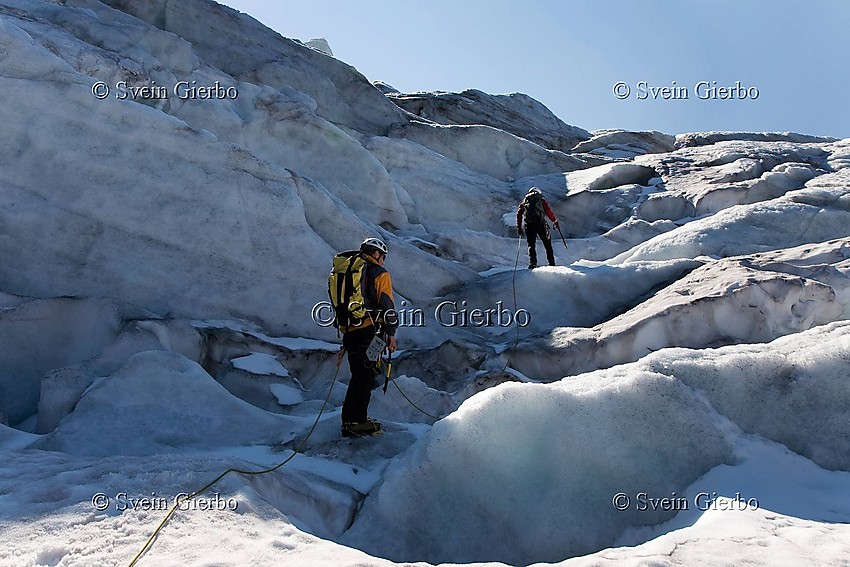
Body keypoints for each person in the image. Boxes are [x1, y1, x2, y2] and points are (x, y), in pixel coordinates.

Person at [338, 237, 398, 437]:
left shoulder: (348, 272)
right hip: (369, 331)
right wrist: (391, 333)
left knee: (358, 375)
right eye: (383, 257)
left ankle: (351, 419)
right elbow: (387, 305)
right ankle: (356, 422)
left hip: (349, 331)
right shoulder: (379, 273)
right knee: (365, 376)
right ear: (377, 254)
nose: (383, 261)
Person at [516, 187, 559, 269]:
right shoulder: (541, 200)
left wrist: (519, 227)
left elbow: (519, 214)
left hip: (529, 225)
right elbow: (548, 211)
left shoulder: (525, 200)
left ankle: (533, 263)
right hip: (540, 224)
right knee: (547, 244)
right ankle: (551, 263)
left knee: (531, 245)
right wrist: (554, 221)